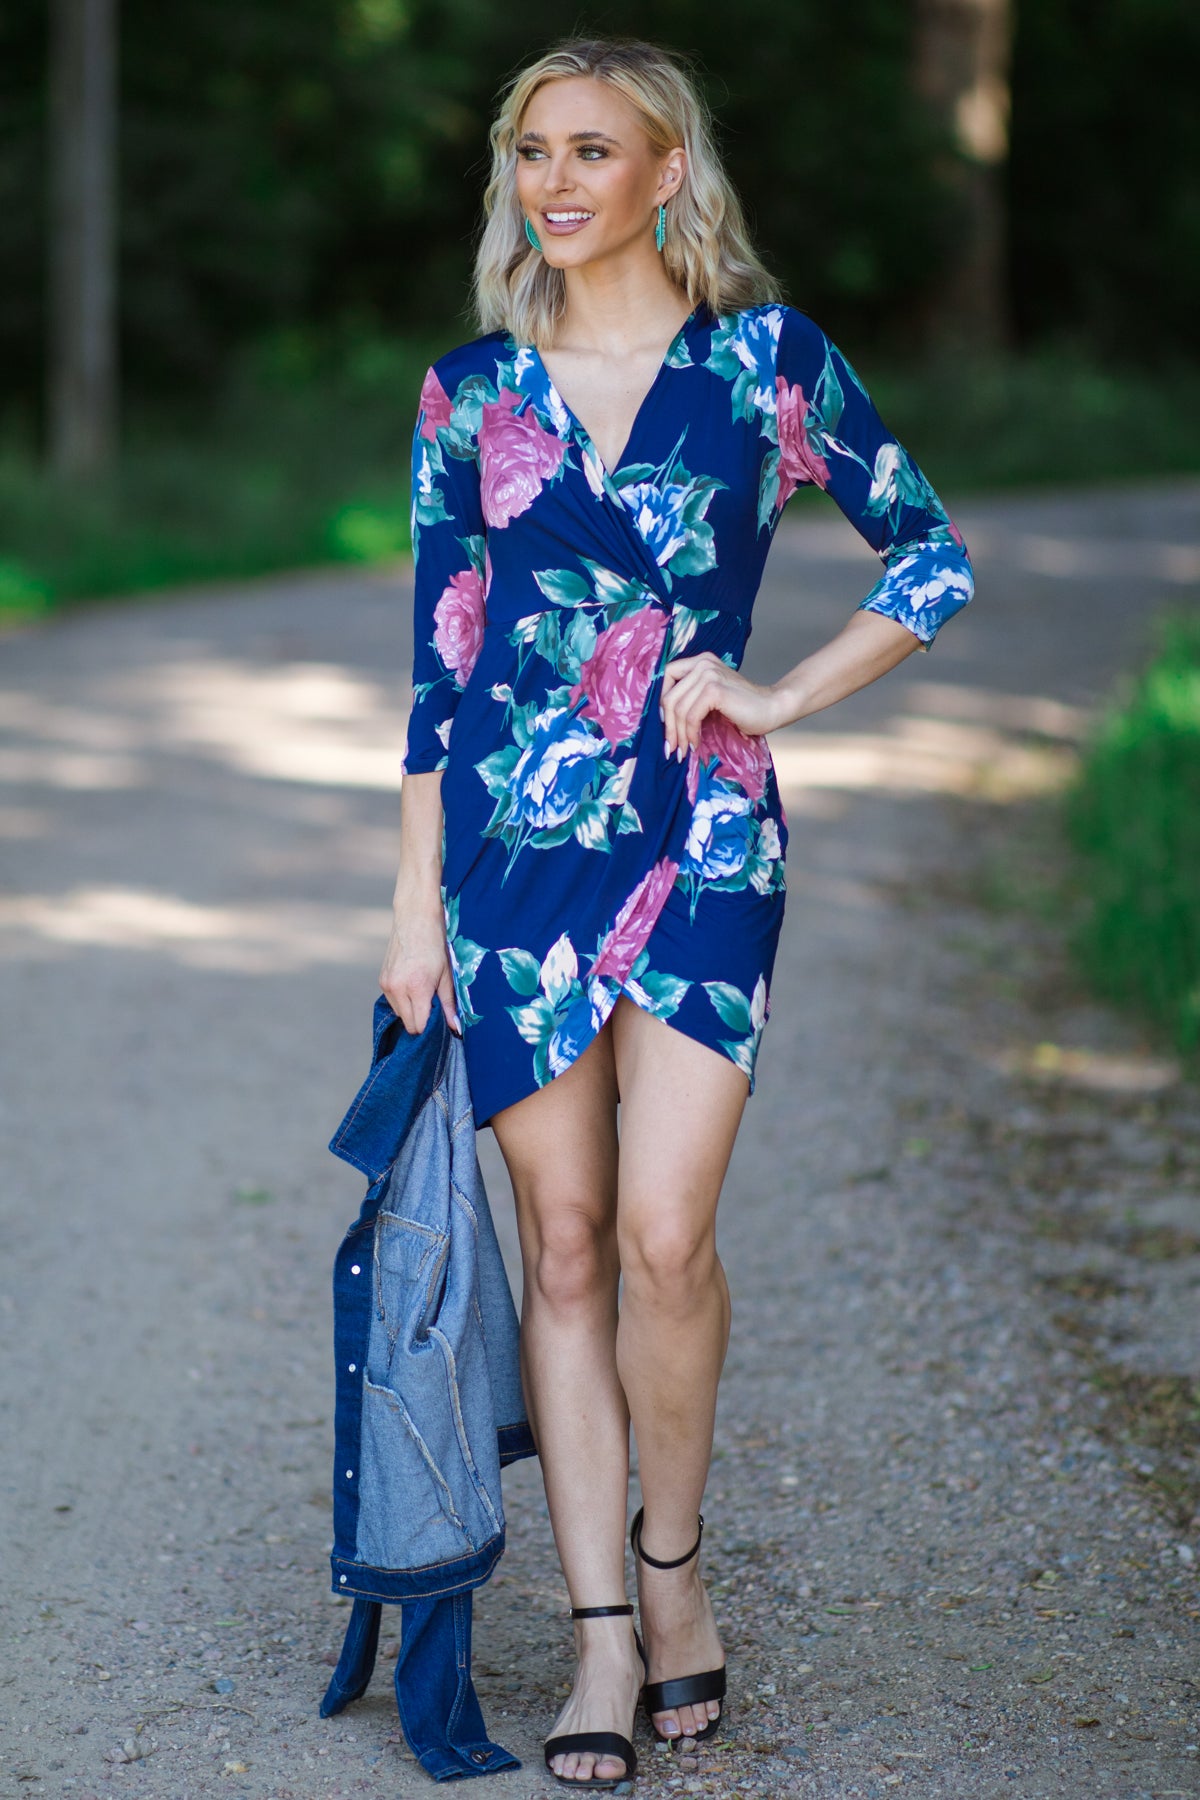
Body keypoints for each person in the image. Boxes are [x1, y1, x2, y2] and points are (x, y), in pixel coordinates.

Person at [379, 35, 973, 1791]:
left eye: (593, 151)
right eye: (533, 155)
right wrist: (413, 913)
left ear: (665, 174)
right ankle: (601, 1643)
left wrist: (784, 698)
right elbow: (438, 674)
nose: (555, 184)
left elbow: (927, 554)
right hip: (508, 862)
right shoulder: (467, 396)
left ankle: (677, 1565)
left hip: (707, 844)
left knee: (660, 1236)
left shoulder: (765, 364)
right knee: (561, 1246)